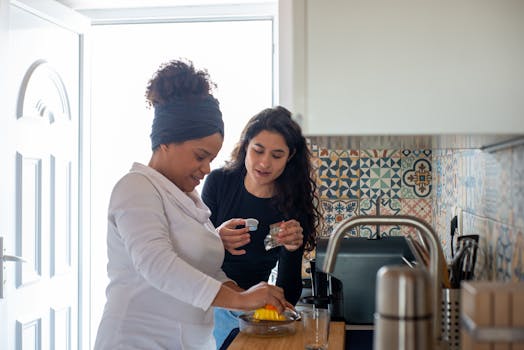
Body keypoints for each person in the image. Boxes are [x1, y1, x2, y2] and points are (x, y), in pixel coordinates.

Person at [93, 59, 288, 350]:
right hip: (137, 340)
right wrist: (239, 299)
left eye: (211, 158)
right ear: (167, 141)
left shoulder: (188, 200)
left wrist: (250, 297)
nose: (207, 168)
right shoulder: (135, 187)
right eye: (200, 156)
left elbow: (206, 271)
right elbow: (157, 264)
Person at [201, 106, 322, 349]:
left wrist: (291, 248)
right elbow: (192, 258)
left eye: (277, 155)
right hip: (209, 303)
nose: (265, 162)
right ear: (246, 145)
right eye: (258, 150)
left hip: (255, 312)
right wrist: (214, 239)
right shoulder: (219, 183)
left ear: (290, 156)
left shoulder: (291, 203)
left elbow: (287, 295)